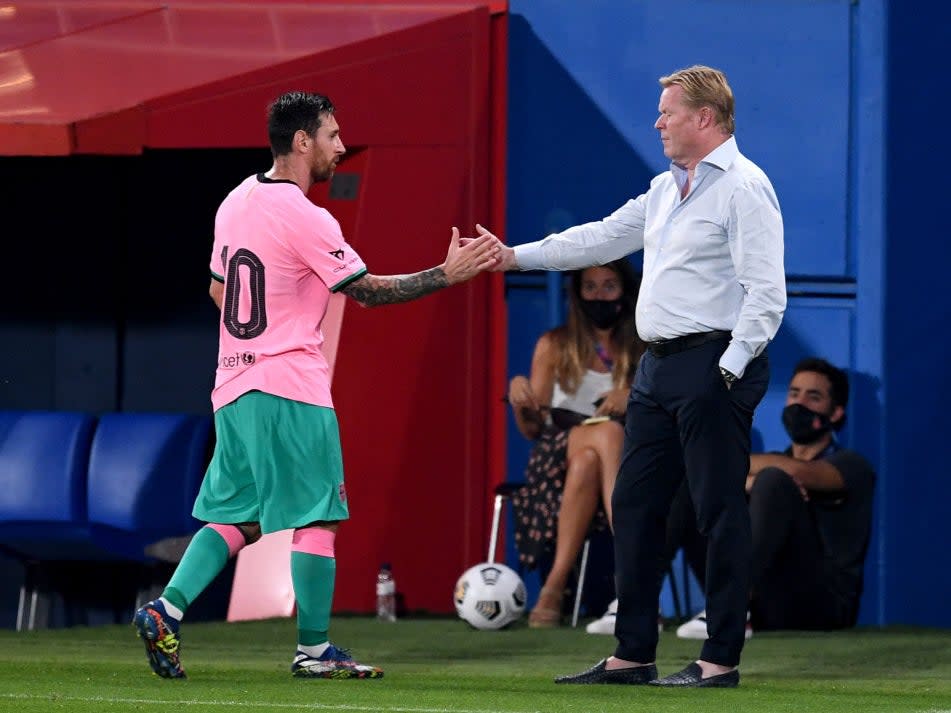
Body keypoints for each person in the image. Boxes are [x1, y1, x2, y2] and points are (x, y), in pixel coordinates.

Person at [131, 91, 499, 680]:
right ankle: (315, 650)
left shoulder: (236, 200)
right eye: (332, 135)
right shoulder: (305, 214)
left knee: (240, 518)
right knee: (318, 516)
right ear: (302, 141)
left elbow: (217, 291)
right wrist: (445, 274)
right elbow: (368, 291)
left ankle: (166, 610)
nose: (341, 146)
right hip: (289, 386)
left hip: (232, 385)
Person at [482, 65, 785, 687]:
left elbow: (767, 295)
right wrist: (512, 256)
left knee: (717, 511)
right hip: (657, 366)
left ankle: (720, 659)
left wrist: (726, 372)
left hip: (715, 363)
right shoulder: (664, 189)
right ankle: (633, 653)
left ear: (705, 119)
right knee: (636, 505)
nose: (657, 122)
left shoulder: (745, 188)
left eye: (667, 112)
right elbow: (596, 240)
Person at [666, 358, 876, 638]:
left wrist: (759, 481)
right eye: (794, 393)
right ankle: (634, 601)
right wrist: (750, 482)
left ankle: (728, 606)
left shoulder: (852, 465)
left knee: (773, 480)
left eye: (813, 397)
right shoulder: (772, 463)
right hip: (765, 598)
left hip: (820, 606)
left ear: (835, 413)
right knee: (690, 487)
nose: (799, 403)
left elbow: (800, 473)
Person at [507, 260, 645, 627]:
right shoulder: (554, 344)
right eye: (591, 287)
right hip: (554, 456)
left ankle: (553, 589)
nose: (599, 295)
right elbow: (532, 429)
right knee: (605, 434)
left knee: (590, 458)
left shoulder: (644, 346)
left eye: (609, 286)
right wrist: (520, 397)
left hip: (617, 460)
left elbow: (666, 412)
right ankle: (636, 580)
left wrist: (633, 398)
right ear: (578, 293)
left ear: (625, 291)